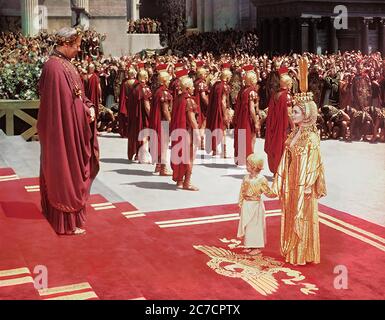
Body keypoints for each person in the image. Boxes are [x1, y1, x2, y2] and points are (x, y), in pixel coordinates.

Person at [37, 27, 99, 235]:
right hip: (63, 133)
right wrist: (84, 111)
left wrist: (88, 106)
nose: (79, 49)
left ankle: (72, 221)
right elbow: (62, 107)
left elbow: (78, 96)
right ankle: (66, 223)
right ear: (65, 44)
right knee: (65, 174)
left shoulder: (66, 64)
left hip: (74, 128)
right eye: (77, 45)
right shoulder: (54, 68)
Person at [272, 62, 327, 265]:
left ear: (306, 115)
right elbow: (287, 157)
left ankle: (304, 253)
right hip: (293, 181)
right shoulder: (295, 133)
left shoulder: (311, 138)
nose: (291, 114)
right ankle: (293, 251)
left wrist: (305, 186)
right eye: (293, 111)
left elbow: (313, 165)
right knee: (291, 212)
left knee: (301, 215)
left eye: (295, 112)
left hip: (304, 185)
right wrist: (280, 181)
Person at [237, 154, 276, 255]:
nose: (246, 166)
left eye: (248, 164)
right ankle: (249, 244)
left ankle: (257, 246)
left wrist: (277, 190)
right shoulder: (246, 178)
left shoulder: (261, 179)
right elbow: (242, 191)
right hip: (246, 204)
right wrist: (240, 203)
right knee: (248, 226)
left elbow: (268, 192)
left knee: (255, 226)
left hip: (256, 205)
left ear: (254, 166)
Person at [170, 70, 201, 191]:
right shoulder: (189, 100)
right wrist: (198, 133)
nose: (194, 89)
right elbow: (192, 119)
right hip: (187, 132)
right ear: (188, 88)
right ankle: (187, 182)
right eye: (192, 87)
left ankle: (179, 181)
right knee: (189, 157)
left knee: (181, 156)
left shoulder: (178, 98)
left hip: (178, 132)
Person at [264, 66, 292, 174]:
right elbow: (289, 114)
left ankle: (277, 170)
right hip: (284, 126)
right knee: (284, 147)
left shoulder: (275, 94)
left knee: (276, 146)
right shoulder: (287, 96)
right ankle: (283, 171)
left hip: (275, 125)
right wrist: (294, 126)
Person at [149, 64, 173, 175]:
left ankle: (158, 165)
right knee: (164, 143)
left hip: (156, 120)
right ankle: (163, 167)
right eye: (168, 79)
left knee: (160, 142)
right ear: (164, 80)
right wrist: (171, 122)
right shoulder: (164, 92)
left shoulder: (156, 91)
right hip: (162, 122)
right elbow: (165, 110)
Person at [233, 65, 260, 166]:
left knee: (241, 136)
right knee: (252, 137)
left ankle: (241, 159)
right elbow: (251, 108)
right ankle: (250, 159)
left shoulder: (242, 90)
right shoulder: (252, 91)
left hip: (241, 116)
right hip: (248, 117)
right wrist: (256, 121)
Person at [206, 63, 232, 157]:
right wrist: (225, 114)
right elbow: (223, 101)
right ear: (227, 77)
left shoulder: (216, 85)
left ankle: (214, 150)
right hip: (221, 110)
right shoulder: (224, 86)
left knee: (215, 127)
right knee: (223, 130)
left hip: (214, 109)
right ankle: (224, 151)